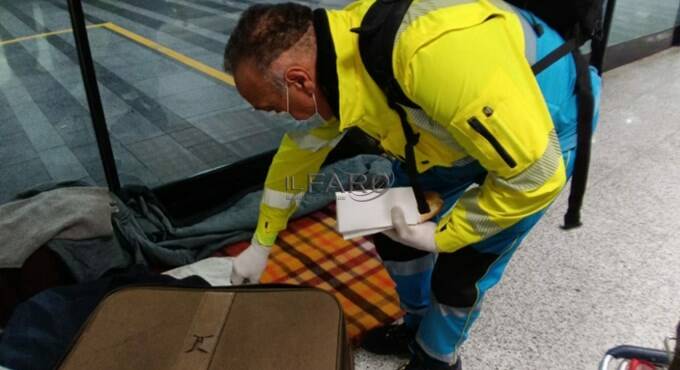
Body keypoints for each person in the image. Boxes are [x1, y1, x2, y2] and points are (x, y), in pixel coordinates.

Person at [223, 1, 601, 369]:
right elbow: (295, 159)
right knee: (389, 227)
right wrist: (262, 242)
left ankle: (435, 358)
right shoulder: (338, 54)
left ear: (298, 80)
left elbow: (536, 175)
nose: (282, 116)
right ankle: (416, 324)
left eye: (275, 107)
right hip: (448, 134)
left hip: (545, 130)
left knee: (461, 269)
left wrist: (442, 237)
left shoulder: (430, 55)